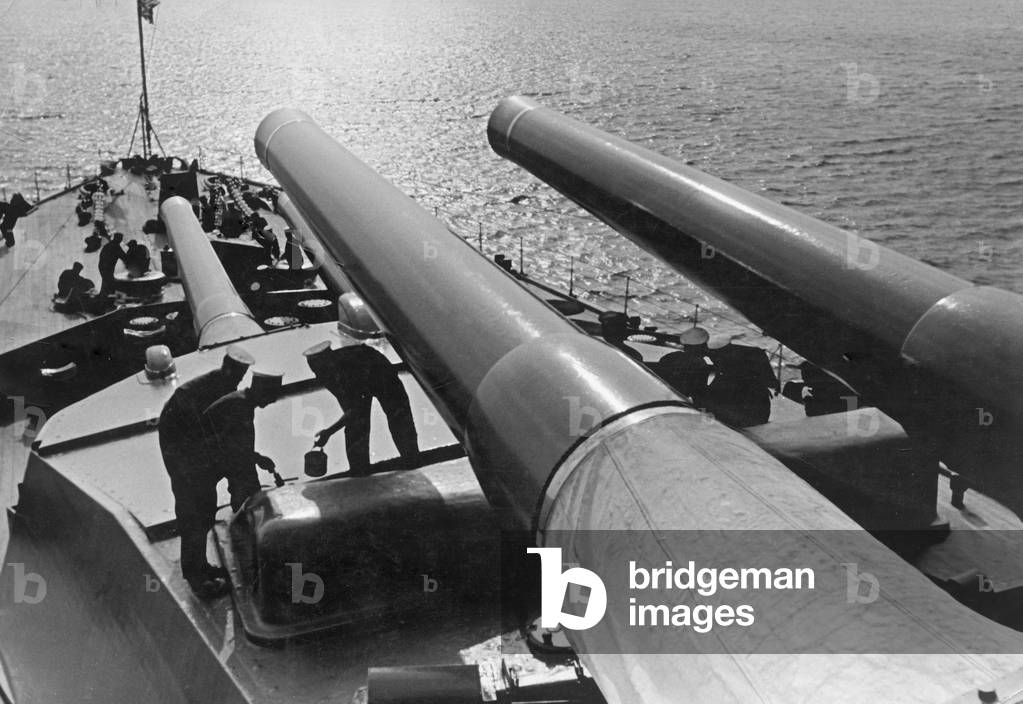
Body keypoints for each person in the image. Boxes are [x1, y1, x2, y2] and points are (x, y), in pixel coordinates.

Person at [157, 346, 254, 599]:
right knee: (193, 521)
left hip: (201, 467)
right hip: (187, 468)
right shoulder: (189, 395)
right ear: (226, 368)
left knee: (205, 516)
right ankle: (197, 579)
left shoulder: (224, 388)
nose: (238, 380)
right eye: (237, 374)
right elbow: (177, 436)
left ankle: (201, 567)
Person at [303, 340, 419, 475]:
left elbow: (355, 409)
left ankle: (412, 461)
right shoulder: (327, 374)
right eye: (314, 369)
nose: (317, 374)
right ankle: (359, 470)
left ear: (329, 362)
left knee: (399, 417)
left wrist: (329, 432)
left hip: (382, 374)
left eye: (319, 368)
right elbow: (351, 411)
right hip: (362, 376)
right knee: (355, 425)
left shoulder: (343, 370)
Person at [203, 370, 282, 508]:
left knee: (246, 482)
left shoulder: (243, 401)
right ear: (261, 391)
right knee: (246, 490)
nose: (272, 401)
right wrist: (258, 459)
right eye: (270, 396)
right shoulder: (239, 407)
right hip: (202, 458)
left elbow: (240, 447)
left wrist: (256, 459)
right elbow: (235, 452)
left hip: (214, 453)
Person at [704, 340, 779, 427]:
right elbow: (771, 382)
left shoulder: (719, 360)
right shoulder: (755, 352)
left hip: (735, 416)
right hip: (760, 413)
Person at [650, 326, 713, 406]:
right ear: (701, 347)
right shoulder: (700, 364)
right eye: (705, 345)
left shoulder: (669, 357)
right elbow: (698, 395)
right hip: (682, 402)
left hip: (662, 398)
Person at [97, 231, 126, 297]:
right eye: (120, 239)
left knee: (106, 283)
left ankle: (103, 297)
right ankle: (108, 299)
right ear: (118, 239)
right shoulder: (116, 247)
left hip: (102, 267)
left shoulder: (108, 245)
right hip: (107, 268)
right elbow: (124, 257)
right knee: (110, 284)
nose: (121, 240)